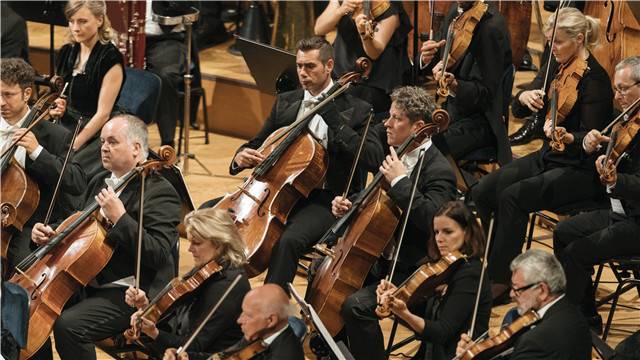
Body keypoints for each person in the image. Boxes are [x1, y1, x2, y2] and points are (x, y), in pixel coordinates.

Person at [471, 7, 614, 302]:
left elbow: (593, 141)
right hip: (549, 158)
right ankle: (488, 266)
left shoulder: (595, 80)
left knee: (513, 197)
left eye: (558, 42)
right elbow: (518, 109)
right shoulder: (556, 65)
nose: (553, 49)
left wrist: (566, 136)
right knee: (484, 191)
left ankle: (502, 281)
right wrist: (523, 97)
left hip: (579, 170)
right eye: (550, 42)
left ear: (579, 39)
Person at [213, 37, 373, 290]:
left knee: (288, 241)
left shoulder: (356, 110)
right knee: (210, 216)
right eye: (299, 66)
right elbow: (256, 142)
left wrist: (333, 119)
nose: (302, 73)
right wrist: (240, 156)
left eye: (310, 66)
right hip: (273, 190)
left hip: (325, 198)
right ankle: (216, 292)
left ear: (329, 65)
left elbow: (369, 156)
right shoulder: (287, 101)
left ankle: (270, 308)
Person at [31, 114, 181, 359]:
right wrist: (52, 232)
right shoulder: (101, 181)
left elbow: (158, 253)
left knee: (69, 326)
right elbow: (80, 223)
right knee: (30, 309)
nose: (103, 148)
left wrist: (121, 218)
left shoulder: (160, 191)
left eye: (112, 142)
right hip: (88, 279)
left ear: (136, 148)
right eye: (102, 142)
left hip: (129, 291)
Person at [553, 56, 640, 332]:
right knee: (562, 233)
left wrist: (618, 179)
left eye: (624, 89)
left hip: (637, 220)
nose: (618, 96)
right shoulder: (628, 118)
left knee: (577, 253)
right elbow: (618, 156)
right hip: (619, 212)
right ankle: (584, 314)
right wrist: (597, 151)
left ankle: (576, 327)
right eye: (617, 88)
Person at [124, 208, 251, 358]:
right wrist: (146, 306)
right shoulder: (209, 267)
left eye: (196, 243)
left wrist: (154, 333)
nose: (189, 249)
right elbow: (174, 310)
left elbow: (195, 346)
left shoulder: (228, 285)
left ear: (219, 244)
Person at [372, 201, 491, 360]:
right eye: (436, 232)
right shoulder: (446, 267)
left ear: (467, 232)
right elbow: (425, 321)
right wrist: (398, 295)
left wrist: (405, 313)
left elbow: (441, 332)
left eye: (447, 232)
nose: (439, 239)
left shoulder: (471, 273)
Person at [0, 58, 86, 275]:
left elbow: (76, 182)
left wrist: (38, 152)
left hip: (27, 228)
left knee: (20, 272)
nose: (1, 102)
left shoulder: (54, 135)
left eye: (8, 95)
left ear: (27, 94)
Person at [420, 1, 512, 165]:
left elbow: (486, 95)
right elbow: (443, 56)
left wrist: (455, 84)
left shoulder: (492, 28)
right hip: (447, 109)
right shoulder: (456, 10)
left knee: (426, 153)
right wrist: (426, 59)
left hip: (479, 121)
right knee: (404, 133)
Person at [455, 249, 591, 360]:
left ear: (542, 290)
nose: (511, 295)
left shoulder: (535, 341)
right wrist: (480, 353)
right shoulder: (570, 311)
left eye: (517, 289)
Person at [53, 0, 125, 181]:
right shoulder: (66, 52)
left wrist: (74, 145)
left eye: (82, 21)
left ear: (99, 20)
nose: (75, 28)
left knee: (67, 169)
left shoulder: (110, 58)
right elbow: (61, 94)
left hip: (96, 130)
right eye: (71, 21)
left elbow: (102, 115)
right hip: (68, 123)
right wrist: (59, 105)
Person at [314, 0, 411, 115]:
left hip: (373, 79)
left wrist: (363, 33)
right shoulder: (342, 2)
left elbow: (374, 52)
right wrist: (340, 11)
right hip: (340, 73)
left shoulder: (389, 6)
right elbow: (319, 28)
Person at [163, 284, 304, 360]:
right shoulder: (259, 333)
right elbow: (222, 357)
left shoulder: (285, 355)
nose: (239, 320)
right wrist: (187, 356)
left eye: (248, 315)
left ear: (271, 320)